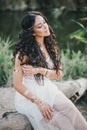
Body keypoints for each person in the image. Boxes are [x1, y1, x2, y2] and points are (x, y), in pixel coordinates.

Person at [13, 11, 87, 130]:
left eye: (44, 22)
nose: (45, 26)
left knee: (71, 109)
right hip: (29, 95)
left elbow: (58, 75)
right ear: (32, 32)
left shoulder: (52, 47)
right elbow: (17, 84)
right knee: (63, 122)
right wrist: (39, 102)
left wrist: (39, 70)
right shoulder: (23, 53)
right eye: (39, 26)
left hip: (46, 87)